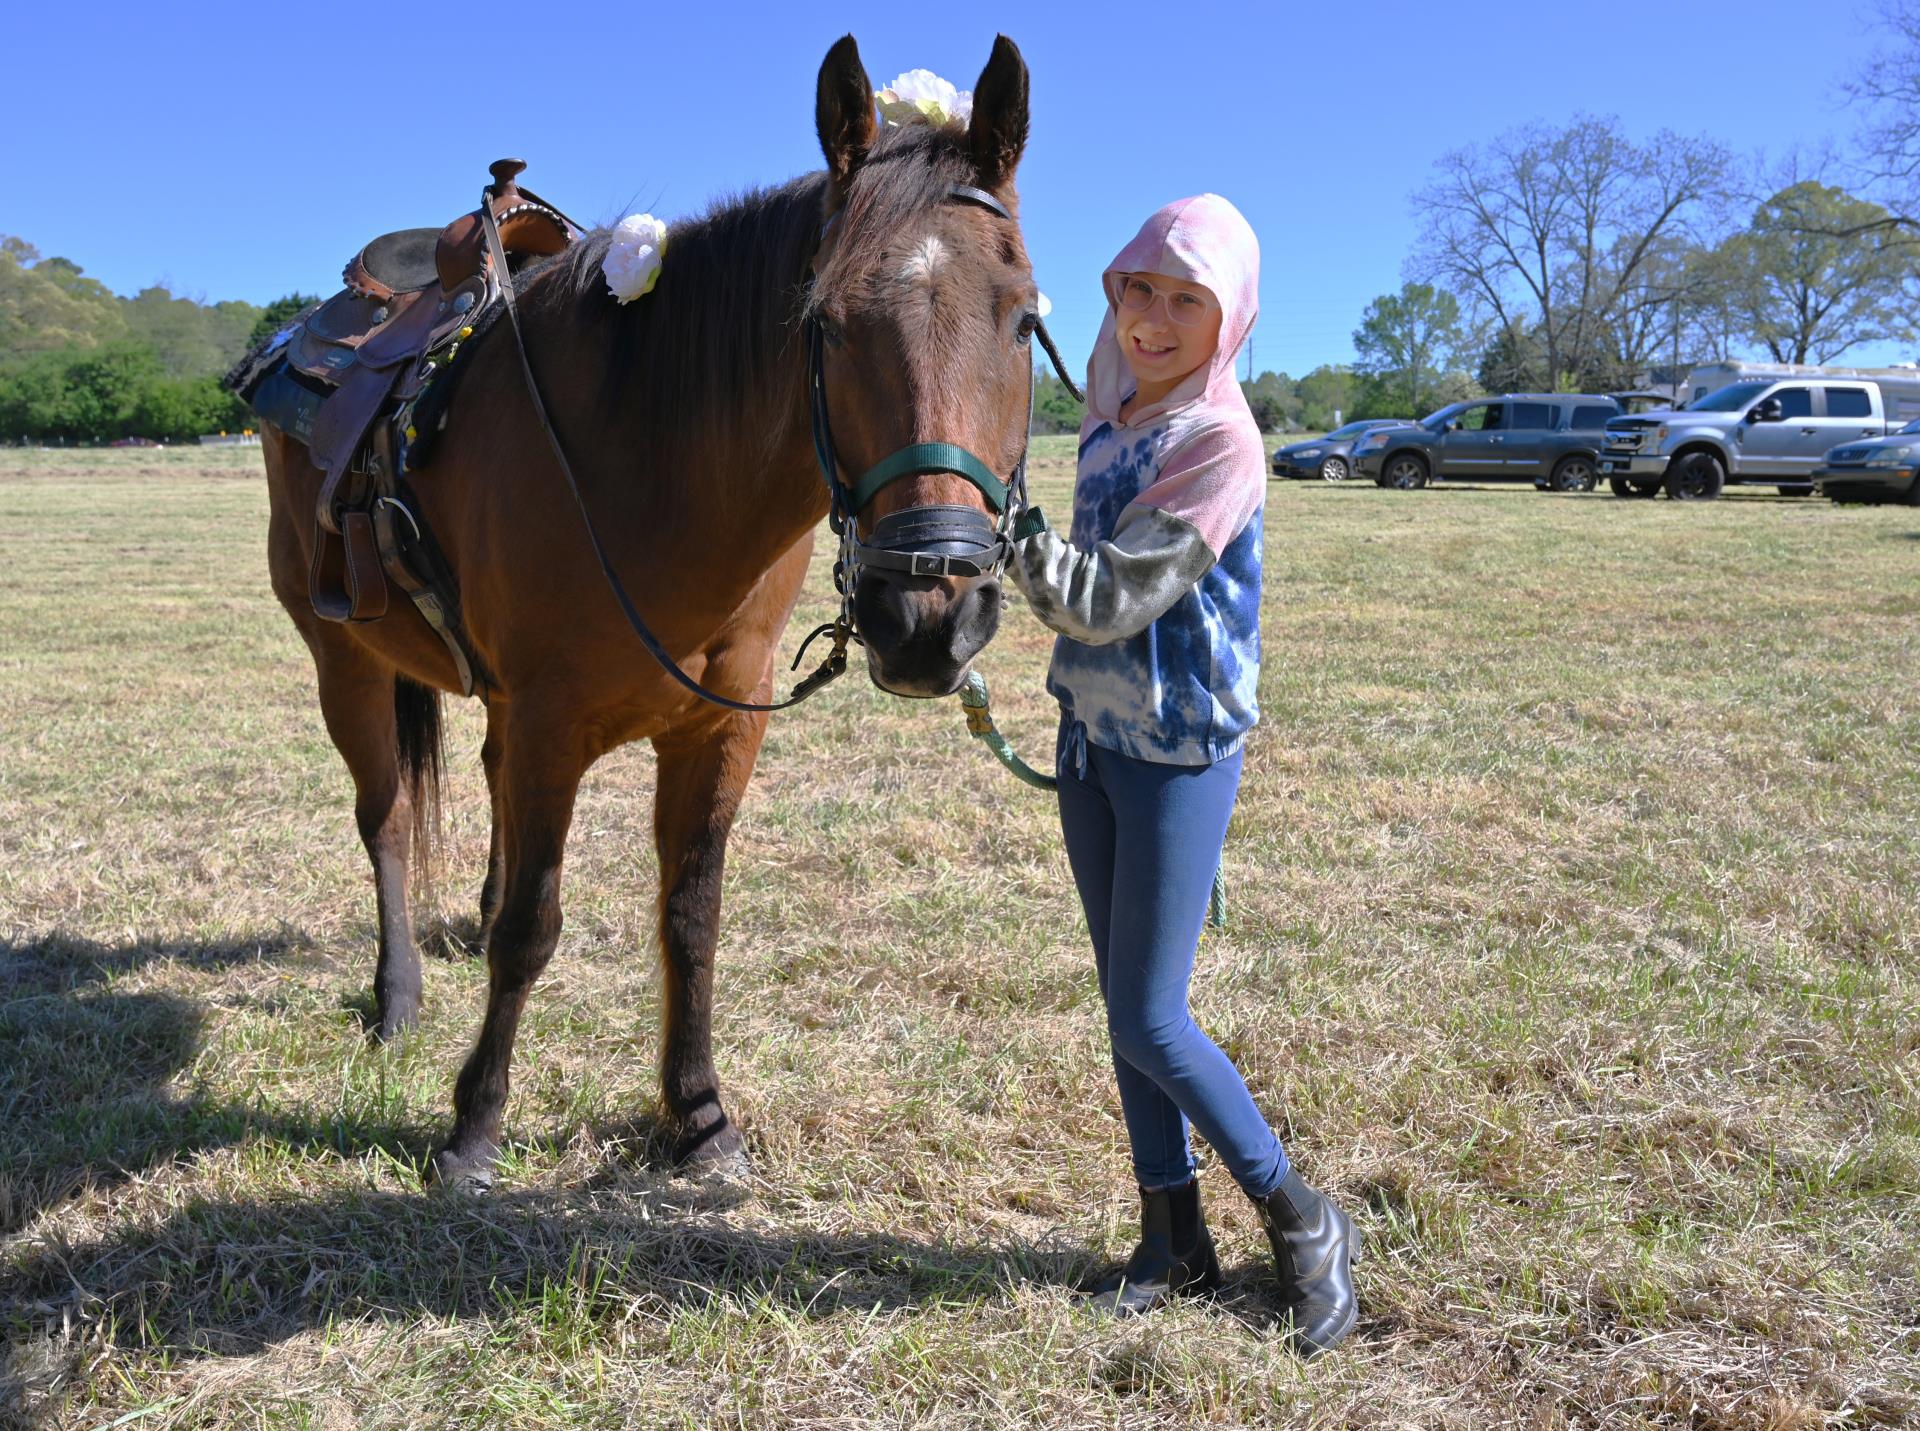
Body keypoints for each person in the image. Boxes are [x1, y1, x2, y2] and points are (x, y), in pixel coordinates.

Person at [1006, 194, 1358, 1354]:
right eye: (1139, 291)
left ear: (1231, 317)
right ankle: (1174, 1238)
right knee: (1123, 1012)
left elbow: (1108, 600)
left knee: (1154, 1017)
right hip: (1092, 741)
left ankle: (1302, 1218)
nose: (1154, 320)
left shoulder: (1218, 441)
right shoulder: (1111, 421)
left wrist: (996, 525)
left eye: (1186, 300)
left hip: (1176, 752)